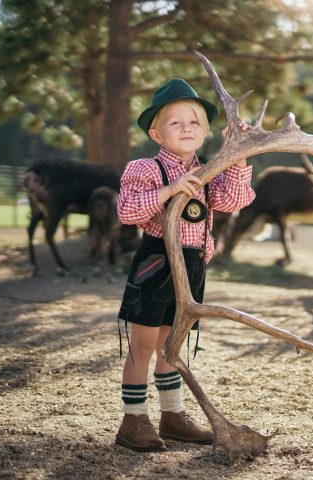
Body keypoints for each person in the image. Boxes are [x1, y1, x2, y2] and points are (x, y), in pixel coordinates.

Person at [114, 78, 255, 452]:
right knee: (144, 345)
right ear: (157, 134)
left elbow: (235, 200)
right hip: (155, 265)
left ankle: (173, 417)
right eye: (175, 123)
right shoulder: (145, 168)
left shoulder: (210, 172)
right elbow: (128, 212)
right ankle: (134, 421)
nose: (186, 127)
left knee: (172, 346)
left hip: (192, 269)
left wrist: (239, 155)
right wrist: (168, 190)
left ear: (206, 132)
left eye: (194, 121)